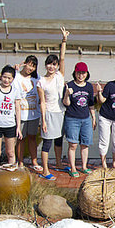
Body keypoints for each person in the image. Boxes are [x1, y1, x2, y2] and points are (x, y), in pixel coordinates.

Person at [37, 28, 68, 180]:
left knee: (58, 139)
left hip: (60, 112)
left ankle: (58, 163)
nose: (52, 66)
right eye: (49, 64)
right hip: (48, 114)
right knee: (47, 143)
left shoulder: (59, 76)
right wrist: (43, 120)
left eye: (54, 64)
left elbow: (62, 58)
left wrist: (64, 40)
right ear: (46, 65)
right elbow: (42, 102)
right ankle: (45, 170)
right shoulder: (41, 82)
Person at [62, 61, 96, 177]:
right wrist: (67, 94)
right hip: (72, 119)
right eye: (78, 73)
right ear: (75, 73)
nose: (81, 75)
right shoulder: (69, 85)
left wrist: (94, 117)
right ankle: (72, 167)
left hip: (85, 119)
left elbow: (91, 103)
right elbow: (66, 103)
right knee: (73, 145)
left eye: (83, 73)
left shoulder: (89, 86)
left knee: (85, 144)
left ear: (87, 73)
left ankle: (84, 166)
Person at [13, 55, 41, 172]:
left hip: (34, 114)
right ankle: (20, 161)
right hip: (21, 114)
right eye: (29, 64)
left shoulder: (37, 78)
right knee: (20, 138)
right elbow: (1, 76)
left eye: (33, 66)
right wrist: (14, 69)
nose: (30, 68)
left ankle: (34, 161)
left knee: (32, 138)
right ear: (24, 63)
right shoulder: (16, 76)